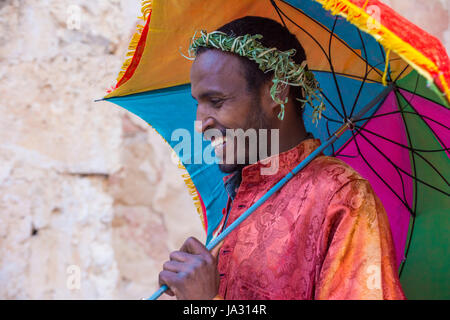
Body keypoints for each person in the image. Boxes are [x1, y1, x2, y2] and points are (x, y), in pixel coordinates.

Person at [158, 16, 406, 300]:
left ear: (277, 91)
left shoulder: (341, 196)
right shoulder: (241, 190)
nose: (199, 125)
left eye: (216, 102)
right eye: (198, 104)